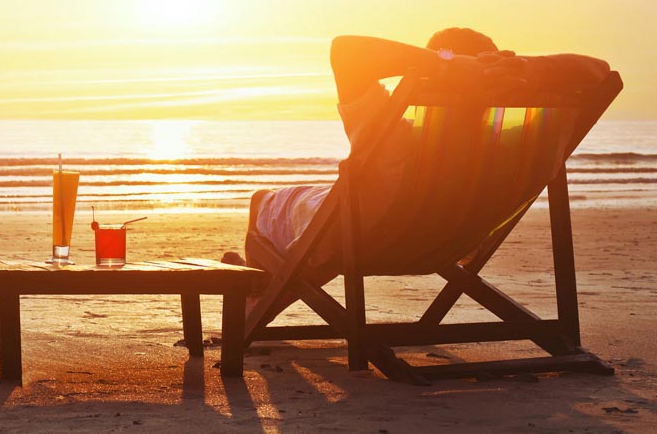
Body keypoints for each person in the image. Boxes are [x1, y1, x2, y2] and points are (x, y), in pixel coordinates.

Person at [223, 28, 611, 273]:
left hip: (364, 239)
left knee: (266, 202)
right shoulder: (508, 147)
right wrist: (523, 68)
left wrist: (448, 65)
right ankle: (271, 282)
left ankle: (257, 295)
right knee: (320, 220)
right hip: (452, 242)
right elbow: (600, 72)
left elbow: (346, 50)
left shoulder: (391, 133)